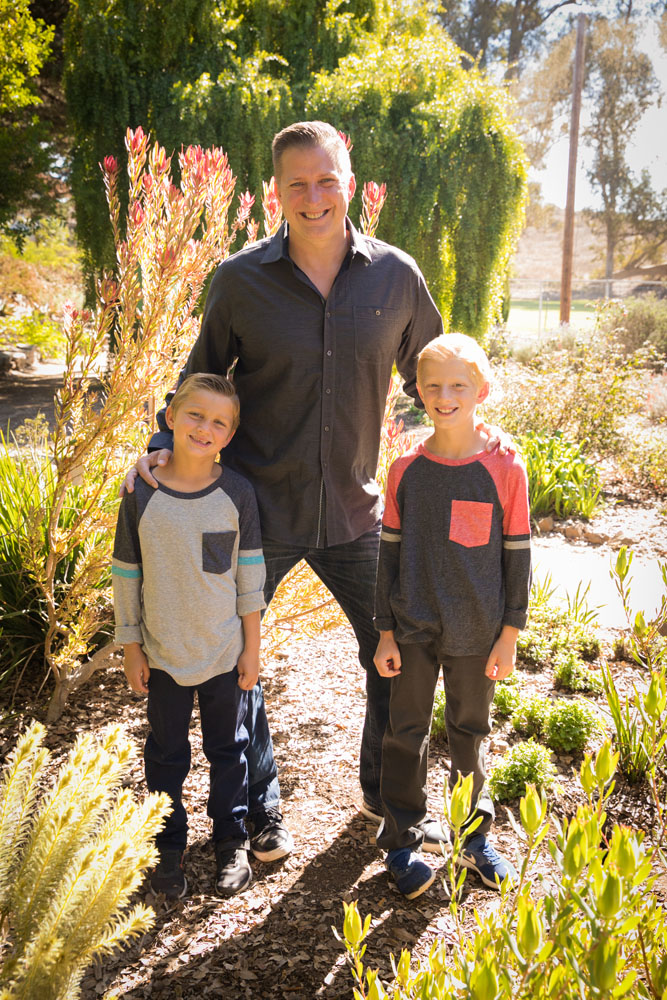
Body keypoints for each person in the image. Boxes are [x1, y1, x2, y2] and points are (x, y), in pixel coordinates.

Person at [122, 121, 505, 858]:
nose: (313, 196)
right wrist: (160, 447)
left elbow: (438, 374)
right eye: (296, 183)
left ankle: (377, 788)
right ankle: (262, 808)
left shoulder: (396, 276)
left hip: (360, 513)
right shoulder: (239, 281)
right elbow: (200, 377)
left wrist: (480, 443)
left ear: (349, 182)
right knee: (238, 661)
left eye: (326, 179)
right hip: (253, 512)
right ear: (275, 192)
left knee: (394, 655)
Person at [373, 333, 531, 899]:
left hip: (476, 631)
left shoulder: (505, 468)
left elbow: (518, 555)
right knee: (405, 735)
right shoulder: (406, 468)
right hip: (412, 627)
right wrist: (384, 630)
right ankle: (401, 840)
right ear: (417, 390)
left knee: (469, 733)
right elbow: (388, 552)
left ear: (482, 391)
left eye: (458, 386)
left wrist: (509, 632)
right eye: (433, 385)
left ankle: (473, 838)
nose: (445, 396)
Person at [113, 373, 266, 899]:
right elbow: (126, 573)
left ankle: (231, 843)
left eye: (218, 422)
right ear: (170, 417)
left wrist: (253, 646)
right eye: (194, 415)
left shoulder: (237, 493)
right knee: (166, 755)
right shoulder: (140, 492)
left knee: (229, 751)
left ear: (229, 435)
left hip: (224, 653)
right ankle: (168, 847)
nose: (205, 428)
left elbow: (249, 576)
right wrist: (131, 646)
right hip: (162, 654)